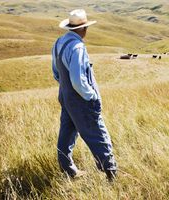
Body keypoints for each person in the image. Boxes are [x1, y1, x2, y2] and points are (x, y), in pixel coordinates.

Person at [51, 9, 117, 181]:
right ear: (84, 29)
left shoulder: (59, 43)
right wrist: (91, 97)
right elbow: (78, 80)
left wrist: (66, 91)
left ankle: (68, 170)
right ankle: (111, 173)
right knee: (97, 133)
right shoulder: (78, 47)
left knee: (66, 132)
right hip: (81, 100)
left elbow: (56, 73)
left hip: (66, 97)